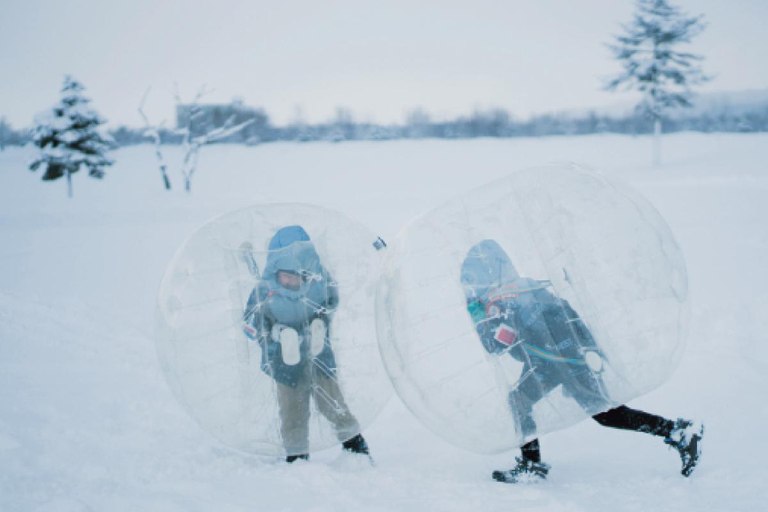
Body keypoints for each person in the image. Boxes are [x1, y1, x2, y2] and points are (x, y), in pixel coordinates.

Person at [460, 239, 703, 483]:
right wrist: (588, 348)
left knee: (605, 414)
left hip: (554, 360)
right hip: (560, 357)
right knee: (524, 401)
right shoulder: (526, 286)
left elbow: (499, 345)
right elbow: (565, 311)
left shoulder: (501, 302)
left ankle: (679, 432)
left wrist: (480, 319)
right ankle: (531, 464)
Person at [242, 225, 370, 463]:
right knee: (293, 411)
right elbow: (249, 322)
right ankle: (297, 455)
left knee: (333, 403)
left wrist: (320, 320)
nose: (292, 280)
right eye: (286, 274)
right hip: (284, 361)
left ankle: (354, 444)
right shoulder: (264, 291)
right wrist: (274, 333)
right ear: (275, 270)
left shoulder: (319, 284)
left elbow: (332, 299)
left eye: (299, 274)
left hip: (318, 354)